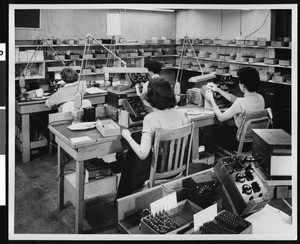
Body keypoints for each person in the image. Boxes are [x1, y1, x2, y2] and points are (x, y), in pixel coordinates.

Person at [116, 78, 190, 200]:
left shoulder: (150, 118)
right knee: (131, 156)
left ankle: (124, 205)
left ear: (150, 97)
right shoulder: (181, 114)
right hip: (177, 168)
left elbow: (142, 154)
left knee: (130, 157)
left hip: (158, 171)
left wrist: (127, 136)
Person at [205, 66, 265, 151]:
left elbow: (221, 117)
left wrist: (212, 100)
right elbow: (235, 99)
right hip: (255, 141)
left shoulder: (240, 103)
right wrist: (218, 90)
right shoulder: (260, 98)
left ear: (242, 85)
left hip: (239, 143)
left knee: (213, 132)